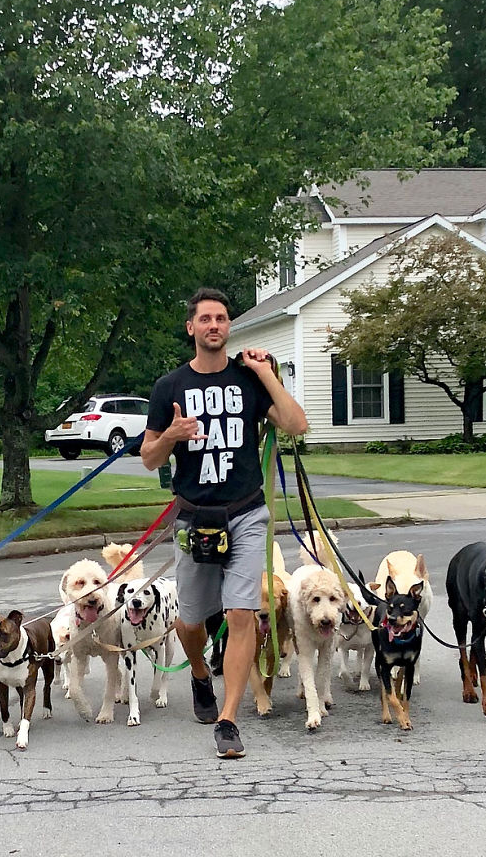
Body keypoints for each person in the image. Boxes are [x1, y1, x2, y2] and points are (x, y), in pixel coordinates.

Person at [141, 287, 308, 758]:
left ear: (229, 327)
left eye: (222, 318)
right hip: (194, 518)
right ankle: (199, 673)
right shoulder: (169, 387)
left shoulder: (249, 380)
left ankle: (230, 719)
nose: (214, 325)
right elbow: (149, 460)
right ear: (191, 328)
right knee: (190, 621)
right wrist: (172, 435)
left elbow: (296, 425)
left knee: (242, 615)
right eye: (205, 319)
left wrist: (267, 374)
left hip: (246, 513)